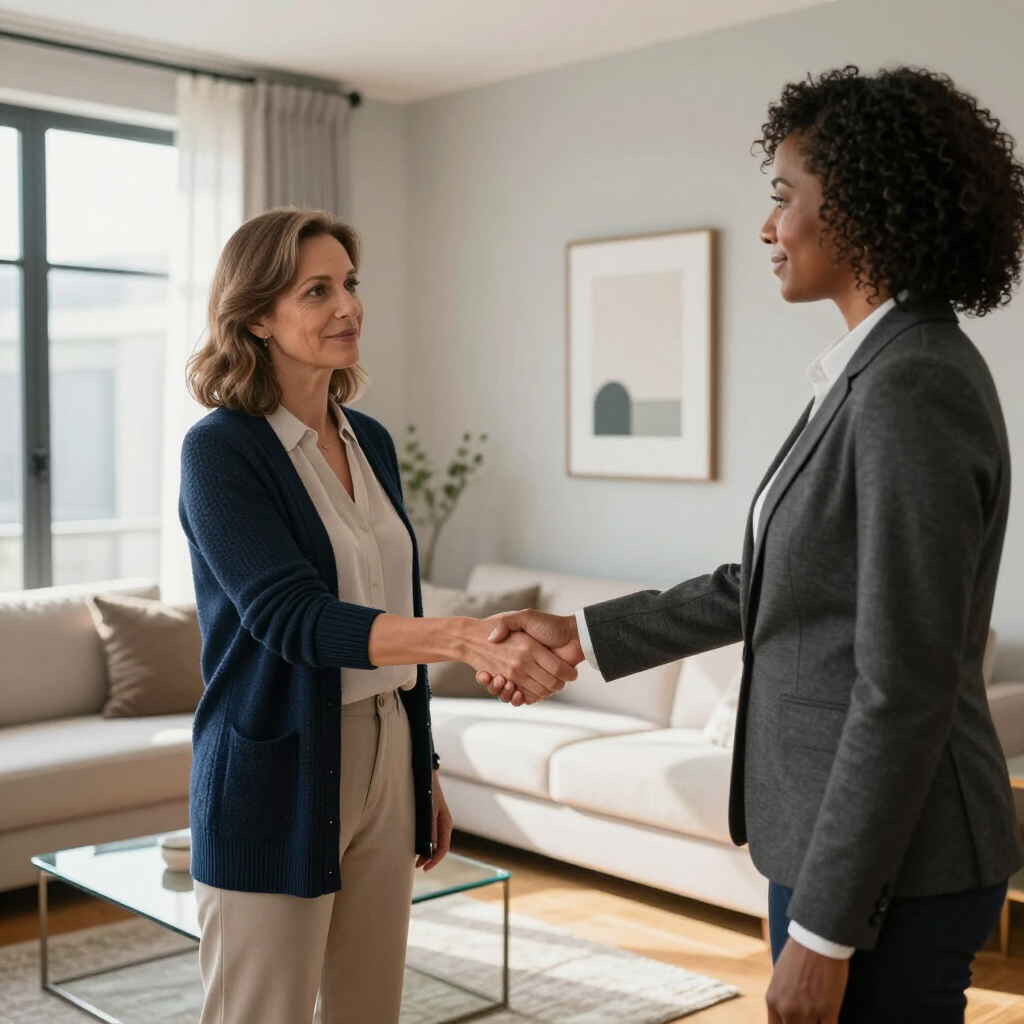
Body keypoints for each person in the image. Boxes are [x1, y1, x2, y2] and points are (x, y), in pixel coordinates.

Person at [478, 66, 1024, 1023]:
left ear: (858, 208)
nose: (768, 228)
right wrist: (583, 634)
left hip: (895, 867)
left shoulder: (912, 387)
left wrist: (824, 932)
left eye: (784, 198)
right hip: (835, 847)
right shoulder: (870, 370)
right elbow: (768, 580)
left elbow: (905, 684)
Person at [179, 207, 576, 1024]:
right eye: (316, 291)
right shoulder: (221, 450)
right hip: (275, 769)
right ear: (257, 316)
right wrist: (467, 638)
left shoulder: (372, 442)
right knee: (262, 1012)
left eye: (351, 285)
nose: (348, 308)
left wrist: (420, 765)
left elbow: (400, 606)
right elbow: (290, 616)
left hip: (387, 747)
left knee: (369, 1008)